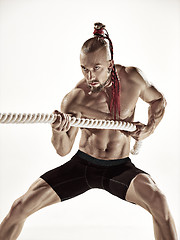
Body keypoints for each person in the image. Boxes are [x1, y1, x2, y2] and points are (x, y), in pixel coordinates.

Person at [0, 22, 178, 240]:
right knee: (19, 207)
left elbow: (158, 100)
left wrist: (149, 129)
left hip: (119, 168)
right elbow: (63, 150)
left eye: (96, 68)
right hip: (83, 165)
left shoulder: (133, 79)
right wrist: (58, 130)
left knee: (159, 202)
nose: (89, 76)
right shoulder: (75, 98)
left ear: (110, 64)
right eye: (84, 69)